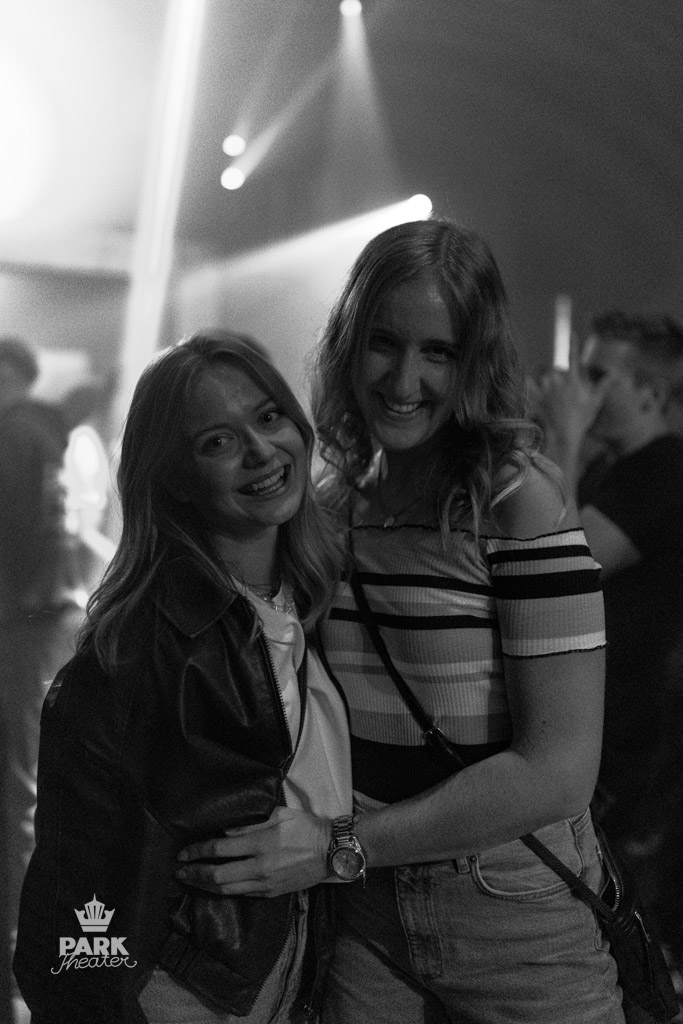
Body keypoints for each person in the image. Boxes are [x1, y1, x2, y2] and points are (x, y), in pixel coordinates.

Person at [175, 220, 626, 1023]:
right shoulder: (329, 504)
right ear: (348, 342)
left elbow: (559, 770)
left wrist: (337, 846)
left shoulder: (515, 502)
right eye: (383, 343)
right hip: (362, 917)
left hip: (505, 911)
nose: (403, 379)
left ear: (474, 362)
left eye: (437, 352)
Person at [13, 332, 351, 1024]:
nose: (260, 450)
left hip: (292, 969)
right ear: (173, 477)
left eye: (268, 417)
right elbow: (75, 894)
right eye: (217, 442)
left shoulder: (314, 599)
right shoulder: (141, 649)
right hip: (189, 988)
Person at [536, 311, 683, 969]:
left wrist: (562, 439)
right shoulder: (609, 469)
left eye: (598, 376)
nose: (580, 389)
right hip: (604, 731)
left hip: (638, 743)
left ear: (650, 394)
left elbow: (564, 567)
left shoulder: (666, 468)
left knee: (624, 937)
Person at [0, 337, 85, 973]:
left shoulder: (14, 434)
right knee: (26, 781)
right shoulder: (44, 433)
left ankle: (19, 941)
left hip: (19, 624)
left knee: (17, 789)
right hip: (45, 619)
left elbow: (17, 533)